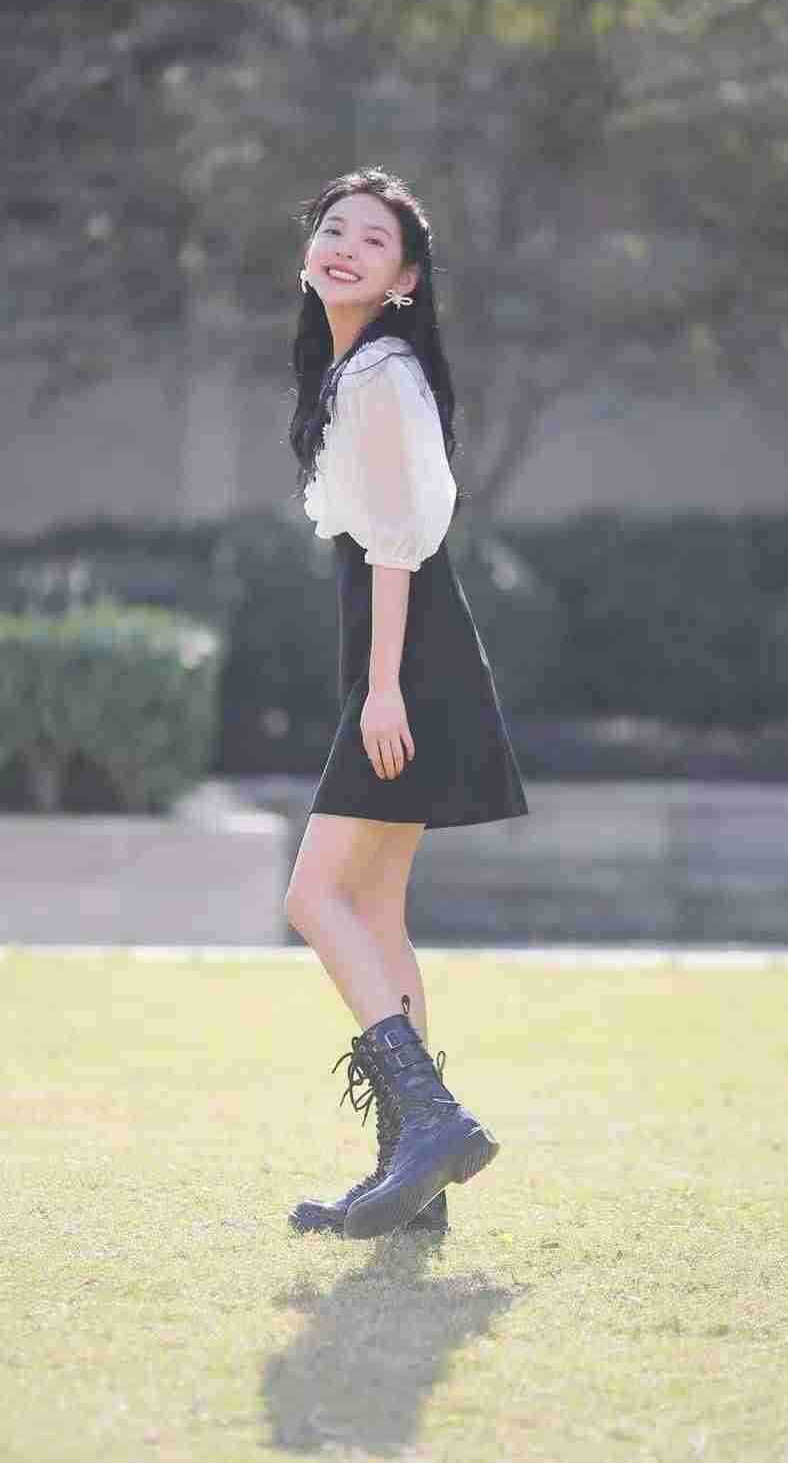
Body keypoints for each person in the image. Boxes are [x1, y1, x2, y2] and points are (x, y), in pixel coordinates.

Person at [285, 166, 529, 1240]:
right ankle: (411, 1178)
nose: (343, 246)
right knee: (377, 914)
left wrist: (383, 687)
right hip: (406, 655)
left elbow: (399, 544)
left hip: (410, 658)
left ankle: (430, 1122)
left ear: (405, 280)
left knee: (314, 899)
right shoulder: (357, 371)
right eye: (332, 229)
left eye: (372, 240)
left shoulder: (381, 373)